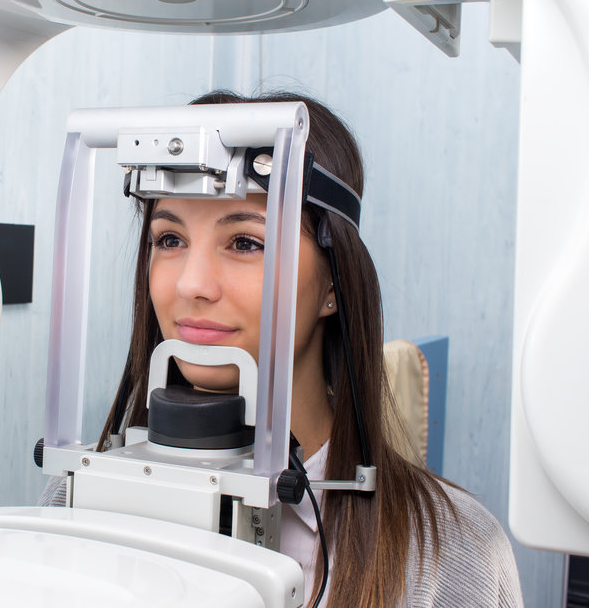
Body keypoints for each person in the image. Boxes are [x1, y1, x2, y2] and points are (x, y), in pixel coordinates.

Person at [43, 90, 523, 608]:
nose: (191, 285)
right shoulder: (77, 496)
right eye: (169, 239)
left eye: (247, 243)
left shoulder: (453, 553)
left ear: (334, 285)